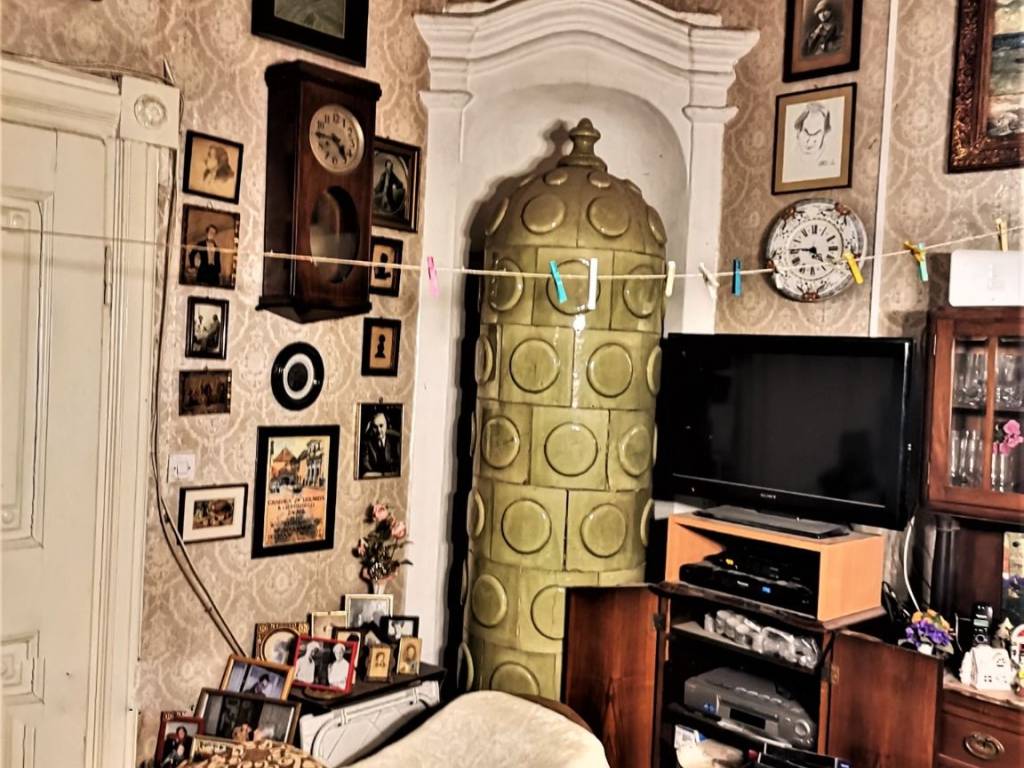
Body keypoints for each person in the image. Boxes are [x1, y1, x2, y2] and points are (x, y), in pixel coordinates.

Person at [359, 411, 401, 477]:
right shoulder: (366, 442)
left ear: (387, 425)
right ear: (371, 427)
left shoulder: (396, 441)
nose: (378, 430)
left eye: (381, 426)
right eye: (375, 427)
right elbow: (366, 466)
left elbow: (399, 466)